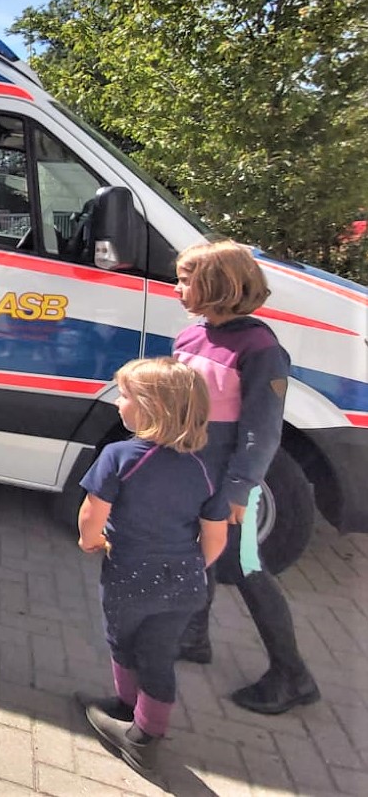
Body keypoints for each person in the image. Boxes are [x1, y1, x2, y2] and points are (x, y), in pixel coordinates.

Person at [172, 241, 321, 714]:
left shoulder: (261, 349)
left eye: (185, 280)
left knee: (249, 571)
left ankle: (292, 675)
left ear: (216, 285)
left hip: (234, 484)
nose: (178, 289)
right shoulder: (192, 336)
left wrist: (240, 488)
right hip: (193, 474)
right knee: (200, 556)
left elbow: (263, 430)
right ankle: (194, 637)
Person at [76, 357, 229, 774]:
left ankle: (131, 718)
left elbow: (92, 515)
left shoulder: (119, 455)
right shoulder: (207, 468)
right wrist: (192, 566)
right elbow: (216, 537)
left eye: (124, 396)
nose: (117, 403)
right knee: (160, 655)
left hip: (129, 575)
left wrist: (92, 541)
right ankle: (146, 729)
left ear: (150, 407)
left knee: (124, 644)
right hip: (185, 584)